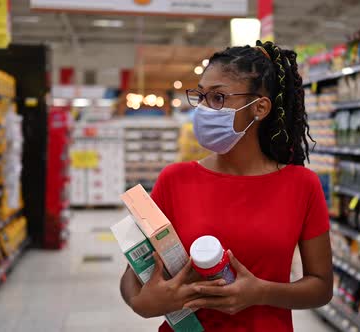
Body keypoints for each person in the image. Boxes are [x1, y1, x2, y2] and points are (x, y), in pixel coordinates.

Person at [119, 40, 333, 332]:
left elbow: (321, 287)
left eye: (218, 98)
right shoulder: (174, 180)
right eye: (202, 96)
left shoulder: (301, 185)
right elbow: (132, 277)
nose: (204, 109)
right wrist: (143, 303)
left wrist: (261, 291)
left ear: (259, 107)